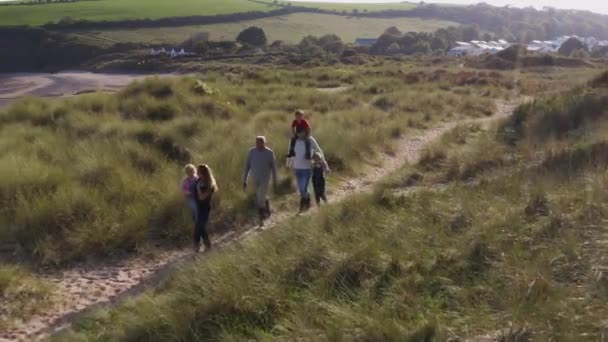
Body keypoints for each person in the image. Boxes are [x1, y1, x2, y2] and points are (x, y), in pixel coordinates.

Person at [243, 136, 278, 226]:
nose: (258, 145)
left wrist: (274, 179)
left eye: (261, 143)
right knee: (260, 197)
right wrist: (245, 180)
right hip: (254, 179)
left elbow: (273, 167)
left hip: (265, 179)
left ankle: (261, 220)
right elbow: (247, 166)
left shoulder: (269, 153)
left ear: (264, 143)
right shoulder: (251, 152)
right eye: (257, 143)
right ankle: (267, 208)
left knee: (260, 199)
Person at [290, 127, 324, 213]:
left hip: (307, 168)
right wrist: (288, 163)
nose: (300, 134)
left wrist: (320, 161)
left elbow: (319, 150)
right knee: (301, 189)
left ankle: (302, 207)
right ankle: (307, 199)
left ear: (305, 132)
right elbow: (290, 152)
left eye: (301, 132)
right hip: (297, 168)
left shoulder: (310, 140)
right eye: (298, 133)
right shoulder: (294, 140)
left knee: (303, 187)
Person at [193, 164, 218, 253]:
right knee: (201, 226)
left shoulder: (209, 184)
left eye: (199, 172)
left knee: (199, 226)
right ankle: (207, 245)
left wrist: (199, 192)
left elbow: (202, 197)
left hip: (205, 208)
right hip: (197, 206)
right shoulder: (198, 181)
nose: (197, 173)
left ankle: (197, 245)